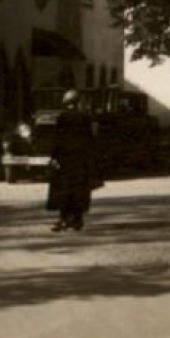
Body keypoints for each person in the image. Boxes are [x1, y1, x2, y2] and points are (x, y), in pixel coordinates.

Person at [46, 89, 97, 232]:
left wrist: (53, 157)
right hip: (81, 159)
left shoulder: (63, 117)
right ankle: (77, 220)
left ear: (66, 102)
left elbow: (58, 139)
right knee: (79, 189)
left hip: (65, 159)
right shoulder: (84, 117)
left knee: (64, 190)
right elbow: (90, 139)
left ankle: (63, 219)